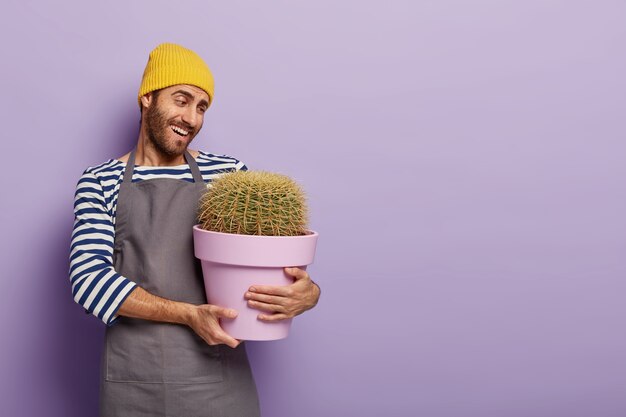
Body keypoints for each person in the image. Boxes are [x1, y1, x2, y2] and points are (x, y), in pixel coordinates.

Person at [69, 43, 321, 417]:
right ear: (147, 98)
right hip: (132, 385)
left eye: (202, 107)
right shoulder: (99, 181)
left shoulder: (229, 176)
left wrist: (308, 293)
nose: (191, 117)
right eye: (181, 100)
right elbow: (88, 279)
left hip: (220, 383)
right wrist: (188, 314)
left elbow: (273, 261)